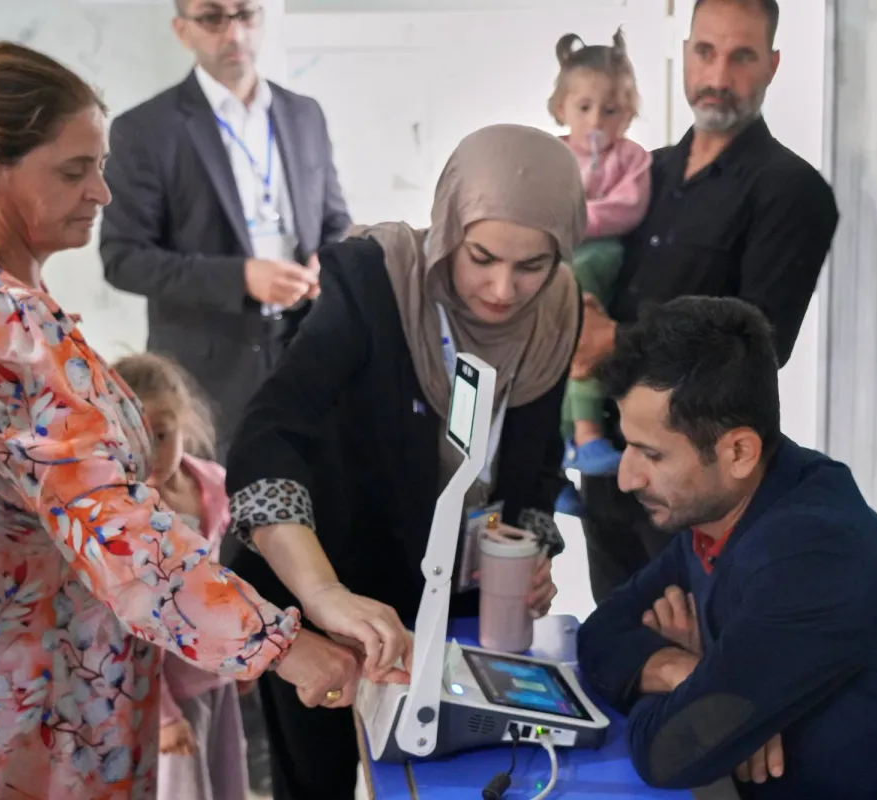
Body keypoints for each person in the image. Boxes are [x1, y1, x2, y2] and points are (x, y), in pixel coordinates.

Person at [0, 43, 371, 799]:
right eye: (74, 170)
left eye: (100, 166)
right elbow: (117, 532)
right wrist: (281, 645)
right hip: (14, 683)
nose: (102, 192)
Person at [222, 124, 583, 799]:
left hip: (448, 597)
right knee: (321, 778)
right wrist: (323, 595)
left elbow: (539, 456)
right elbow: (268, 437)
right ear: (448, 228)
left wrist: (529, 549)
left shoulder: (557, 312)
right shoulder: (376, 283)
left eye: (532, 265)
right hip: (327, 581)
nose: (503, 289)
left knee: (445, 779)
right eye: (481, 257)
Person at [575, 297, 877, 798]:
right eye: (627, 445)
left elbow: (667, 752)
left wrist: (693, 695)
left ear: (739, 451)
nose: (627, 478)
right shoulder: (731, 506)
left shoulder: (813, 554)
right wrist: (687, 672)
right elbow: (600, 633)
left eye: (651, 454)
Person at [572, 0, 840, 601]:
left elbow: (762, 345)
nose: (718, 76)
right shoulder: (643, 173)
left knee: (695, 643)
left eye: (742, 56)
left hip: (696, 487)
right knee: (615, 635)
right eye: (705, 52)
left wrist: (613, 341)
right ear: (685, 54)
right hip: (608, 465)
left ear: (772, 65)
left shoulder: (791, 190)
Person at [101, 0, 352, 456]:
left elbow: (335, 220)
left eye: (245, 14)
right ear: (182, 30)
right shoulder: (145, 129)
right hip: (206, 374)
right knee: (216, 498)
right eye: (212, 17)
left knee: (312, 483)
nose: (234, 33)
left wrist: (327, 262)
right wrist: (241, 278)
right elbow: (123, 259)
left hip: (305, 348)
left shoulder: (303, 113)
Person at [113, 353, 249, 800]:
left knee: (225, 782)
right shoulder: (124, 515)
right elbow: (130, 631)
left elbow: (221, 584)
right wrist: (163, 715)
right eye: (132, 435)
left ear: (183, 424)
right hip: (161, 691)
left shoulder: (212, 485)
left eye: (161, 434)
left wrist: (243, 655)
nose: (149, 451)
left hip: (213, 677)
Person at [547, 28, 652, 515]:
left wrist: (576, 219)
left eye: (609, 110)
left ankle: (587, 431)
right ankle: (551, 465)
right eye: (584, 107)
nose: (595, 121)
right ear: (560, 108)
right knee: (543, 350)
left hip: (597, 255)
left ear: (627, 113)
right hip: (559, 259)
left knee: (581, 321)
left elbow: (628, 208)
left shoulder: (631, 158)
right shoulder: (551, 157)